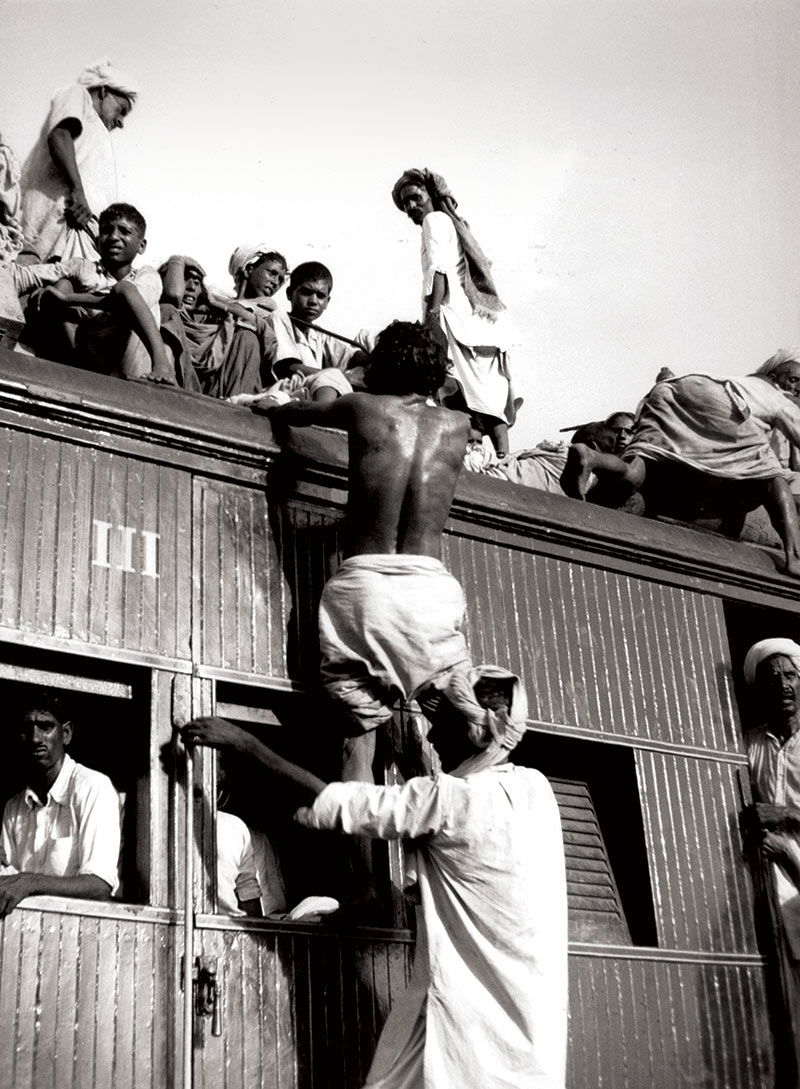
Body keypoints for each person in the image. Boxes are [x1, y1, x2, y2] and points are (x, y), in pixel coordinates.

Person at [181, 664, 568, 1089]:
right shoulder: (536, 790)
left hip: (465, 1025)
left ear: (474, 732)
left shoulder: (451, 800)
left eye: (442, 725)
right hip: (519, 1032)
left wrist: (245, 743)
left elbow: (353, 802)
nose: (433, 740)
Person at [253, 320, 473, 784]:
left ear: (381, 365)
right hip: (432, 590)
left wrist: (272, 403)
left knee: (358, 742)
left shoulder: (361, 408)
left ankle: (359, 848)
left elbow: (297, 413)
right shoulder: (459, 425)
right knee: (457, 733)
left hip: (366, 586)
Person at [561, 354, 800, 575]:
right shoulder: (776, 396)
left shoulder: (741, 382)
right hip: (721, 403)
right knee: (772, 477)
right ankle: (794, 557)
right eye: (793, 380)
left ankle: (591, 458)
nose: (797, 388)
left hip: (672, 388)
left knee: (643, 462)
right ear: (773, 377)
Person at [392, 168, 516, 456]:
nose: (411, 206)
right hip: (477, 321)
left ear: (430, 194)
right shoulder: (451, 222)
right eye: (405, 203)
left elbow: (440, 269)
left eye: (414, 197)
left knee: (460, 387)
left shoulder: (434, 220)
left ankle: (485, 456)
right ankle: (500, 457)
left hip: (454, 316)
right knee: (479, 392)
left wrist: (432, 315)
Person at [14, 202, 175, 382]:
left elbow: (122, 299)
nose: (114, 236)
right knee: (62, 284)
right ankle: (73, 371)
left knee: (124, 289)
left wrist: (69, 299)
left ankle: (162, 365)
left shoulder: (148, 276)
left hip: (130, 365)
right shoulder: (82, 267)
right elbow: (28, 275)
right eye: (107, 230)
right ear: (98, 241)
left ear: (141, 246)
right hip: (89, 357)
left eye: (124, 231)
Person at [0, 689, 121, 918]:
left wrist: (29, 882)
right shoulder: (14, 807)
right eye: (27, 728)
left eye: (46, 727)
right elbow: (7, 886)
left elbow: (99, 886)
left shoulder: (93, 787)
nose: (35, 738)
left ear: (65, 733)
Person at [742, 638, 800, 1086]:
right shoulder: (751, 745)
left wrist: (784, 818)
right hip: (768, 882)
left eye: (791, 674)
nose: (783, 685)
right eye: (773, 677)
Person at [19, 59, 138, 262]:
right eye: (121, 110)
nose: (121, 122)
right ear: (103, 92)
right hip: (59, 221)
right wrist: (77, 191)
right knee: (35, 276)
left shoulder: (98, 130)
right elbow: (60, 135)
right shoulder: (77, 94)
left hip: (81, 231)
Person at [159, 254, 277, 398]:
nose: (190, 287)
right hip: (171, 393)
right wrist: (177, 260)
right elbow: (173, 295)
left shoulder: (210, 320)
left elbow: (259, 326)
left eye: (197, 282)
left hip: (211, 394)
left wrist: (214, 304)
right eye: (184, 278)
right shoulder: (163, 312)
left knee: (247, 337)